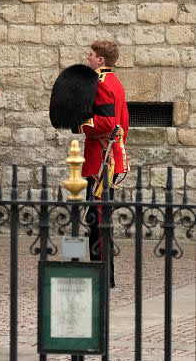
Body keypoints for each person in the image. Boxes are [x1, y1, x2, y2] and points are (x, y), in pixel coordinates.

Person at [80, 40, 129, 288]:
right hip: (111, 155)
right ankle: (104, 275)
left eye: (90, 55)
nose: (87, 58)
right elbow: (124, 123)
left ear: (100, 60)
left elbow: (107, 122)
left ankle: (102, 276)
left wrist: (80, 123)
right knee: (100, 219)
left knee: (97, 221)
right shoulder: (116, 82)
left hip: (100, 158)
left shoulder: (101, 83)